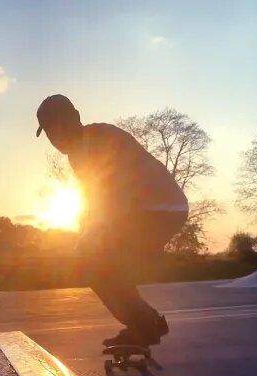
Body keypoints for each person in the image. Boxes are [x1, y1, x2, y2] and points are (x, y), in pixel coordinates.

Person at [36, 94, 189, 347]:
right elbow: (93, 197)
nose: (55, 139)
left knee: (96, 263)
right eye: (50, 134)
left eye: (58, 129)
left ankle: (144, 325)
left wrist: (94, 234)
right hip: (150, 210)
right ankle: (146, 322)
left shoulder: (100, 139)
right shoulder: (78, 153)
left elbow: (114, 190)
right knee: (99, 263)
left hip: (156, 209)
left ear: (75, 118)